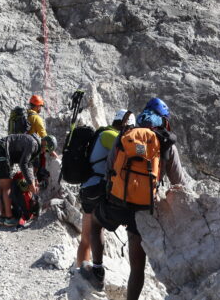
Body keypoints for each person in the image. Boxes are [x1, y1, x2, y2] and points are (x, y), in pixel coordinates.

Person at [81, 98, 187, 300]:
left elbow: (110, 169)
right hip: (144, 208)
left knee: (95, 222)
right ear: (163, 120)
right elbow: (179, 183)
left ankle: (97, 270)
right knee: (137, 266)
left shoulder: (126, 135)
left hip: (116, 201)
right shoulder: (166, 144)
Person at [76, 109, 135, 270]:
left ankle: (81, 270)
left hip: (87, 188)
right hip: (97, 189)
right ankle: (95, 270)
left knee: (86, 237)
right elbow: (129, 152)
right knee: (96, 229)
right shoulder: (112, 136)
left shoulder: (102, 133)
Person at [0, 133, 57, 227]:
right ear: (44, 142)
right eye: (46, 149)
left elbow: (30, 165)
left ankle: (3, 217)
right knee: (7, 186)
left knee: (3, 186)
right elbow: (23, 163)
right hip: (0, 151)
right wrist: (30, 183)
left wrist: (33, 180)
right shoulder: (34, 144)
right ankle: (8, 218)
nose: (44, 151)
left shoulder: (33, 142)